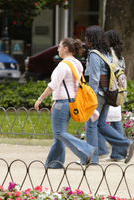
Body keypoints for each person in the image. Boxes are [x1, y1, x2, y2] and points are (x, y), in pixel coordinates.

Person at [34, 38, 96, 168]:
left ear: (66, 48)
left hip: (62, 103)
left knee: (59, 133)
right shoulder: (77, 64)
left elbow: (53, 85)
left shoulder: (63, 65)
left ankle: (85, 150)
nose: (58, 49)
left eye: (59, 47)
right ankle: (54, 163)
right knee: (59, 134)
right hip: (72, 102)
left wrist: (40, 99)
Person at [84, 25, 134, 165]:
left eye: (87, 36)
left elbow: (94, 79)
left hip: (98, 95)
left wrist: (91, 99)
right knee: (100, 123)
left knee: (91, 125)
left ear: (92, 38)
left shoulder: (94, 54)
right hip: (108, 94)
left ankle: (92, 158)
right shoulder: (107, 53)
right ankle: (125, 143)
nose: (85, 39)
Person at [98, 30, 127, 161]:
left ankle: (106, 150)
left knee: (101, 122)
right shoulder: (120, 55)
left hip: (110, 90)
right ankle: (118, 153)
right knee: (116, 121)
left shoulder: (109, 54)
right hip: (118, 91)